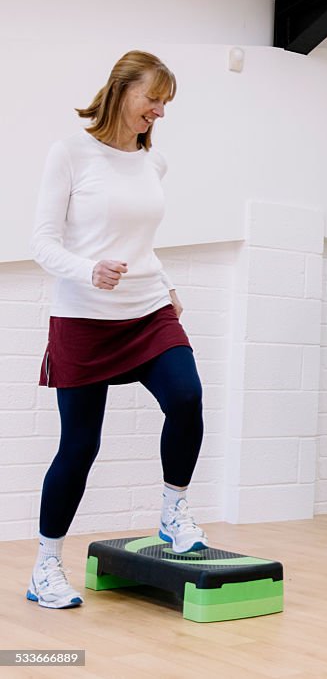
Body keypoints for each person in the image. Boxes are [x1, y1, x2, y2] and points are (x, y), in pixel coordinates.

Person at [28, 51, 207, 609]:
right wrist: (89, 269)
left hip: (148, 308)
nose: (159, 111)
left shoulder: (152, 163)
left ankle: (173, 510)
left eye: (165, 103)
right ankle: (45, 566)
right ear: (122, 90)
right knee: (80, 446)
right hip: (83, 316)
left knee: (187, 396)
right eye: (152, 99)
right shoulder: (71, 152)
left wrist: (169, 284)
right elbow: (41, 241)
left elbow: (142, 241)